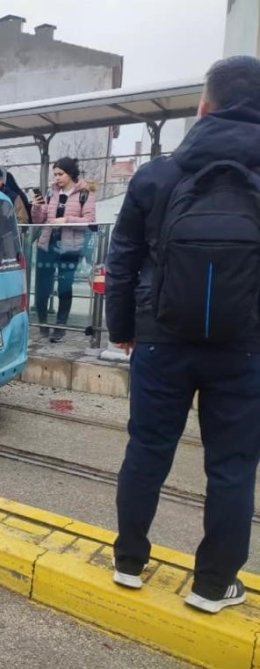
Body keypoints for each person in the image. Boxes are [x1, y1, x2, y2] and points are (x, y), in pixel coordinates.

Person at [106, 55, 260, 614]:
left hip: (160, 337)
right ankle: (213, 586)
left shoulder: (156, 175)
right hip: (246, 346)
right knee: (233, 466)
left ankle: (128, 562)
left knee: (147, 450)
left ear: (203, 106)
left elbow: (122, 259)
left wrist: (123, 328)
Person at [31, 157, 96, 342]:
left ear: (70, 174)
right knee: (42, 287)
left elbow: (90, 221)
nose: (57, 178)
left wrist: (66, 220)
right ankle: (43, 324)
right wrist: (36, 207)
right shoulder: (51, 192)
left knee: (65, 287)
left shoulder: (85, 194)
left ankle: (60, 326)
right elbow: (39, 220)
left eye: (60, 174)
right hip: (47, 244)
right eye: (55, 174)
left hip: (70, 248)